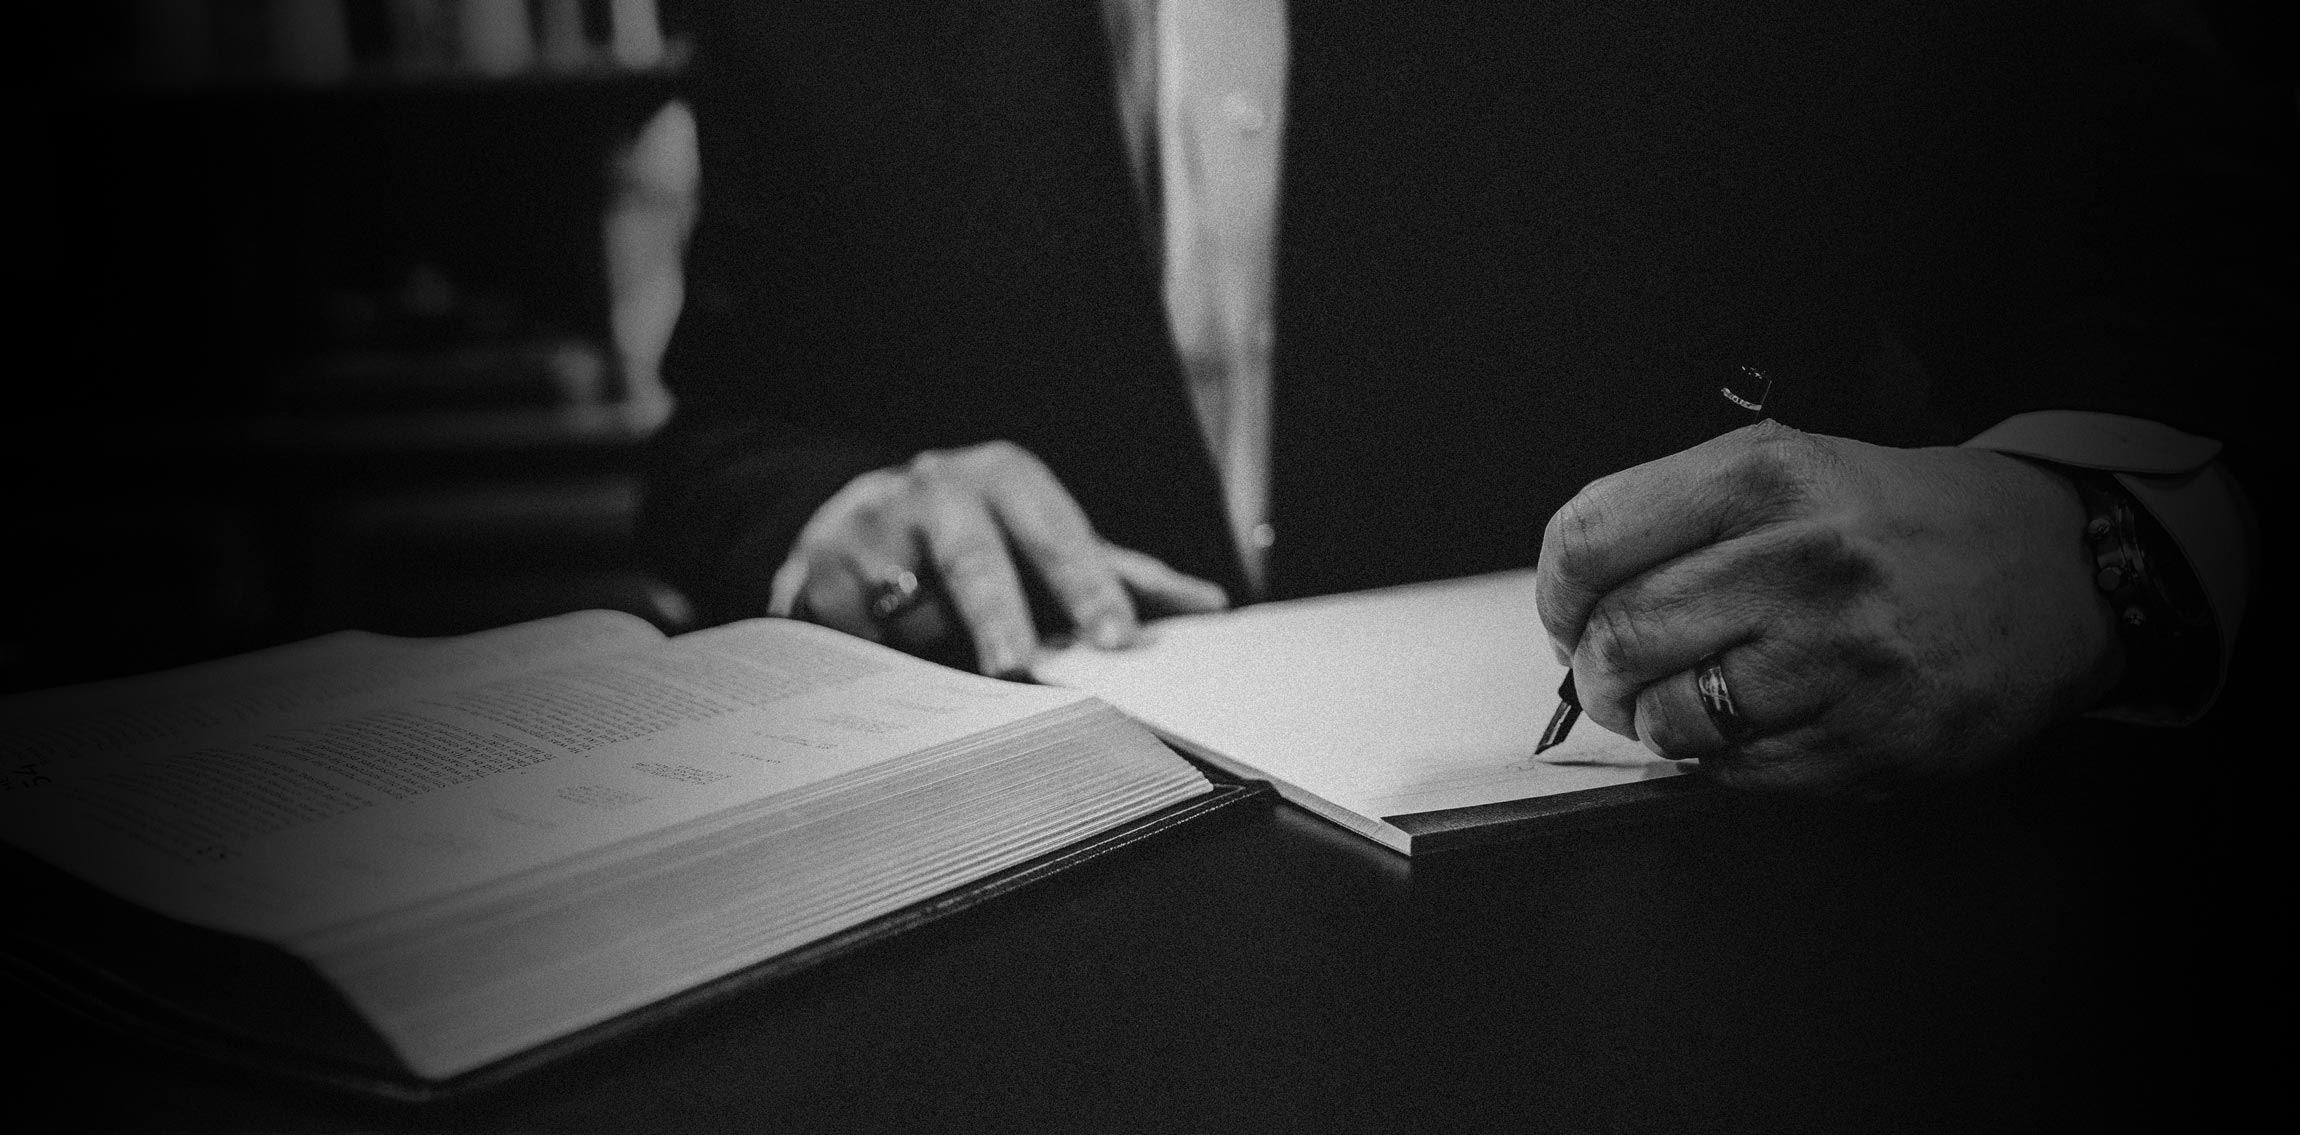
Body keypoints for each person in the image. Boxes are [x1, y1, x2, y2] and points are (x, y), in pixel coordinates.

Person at [644, 1, 2283, 795]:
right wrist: (831, 511)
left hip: (1735, 925)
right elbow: (729, 418)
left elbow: (2160, 243)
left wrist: (2082, 545)